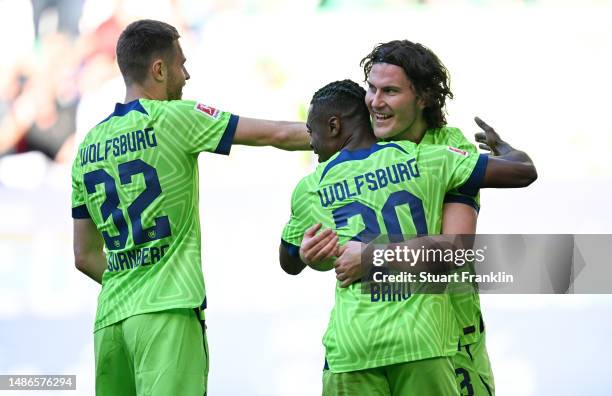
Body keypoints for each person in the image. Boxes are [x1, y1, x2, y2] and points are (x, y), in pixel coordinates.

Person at [71, 19, 309, 395]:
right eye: (182, 64)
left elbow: (84, 256)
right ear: (159, 69)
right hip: (168, 313)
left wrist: (133, 281)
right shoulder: (175, 118)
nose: (187, 74)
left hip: (111, 321)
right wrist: (349, 134)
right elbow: (276, 133)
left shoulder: (87, 146)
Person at [279, 79, 536, 395]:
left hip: (353, 344)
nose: (310, 142)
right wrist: (505, 149)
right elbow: (522, 172)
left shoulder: (312, 187)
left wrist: (308, 256)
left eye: (311, 131)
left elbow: (288, 261)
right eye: (373, 90)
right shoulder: (426, 157)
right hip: (423, 339)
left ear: (333, 126)